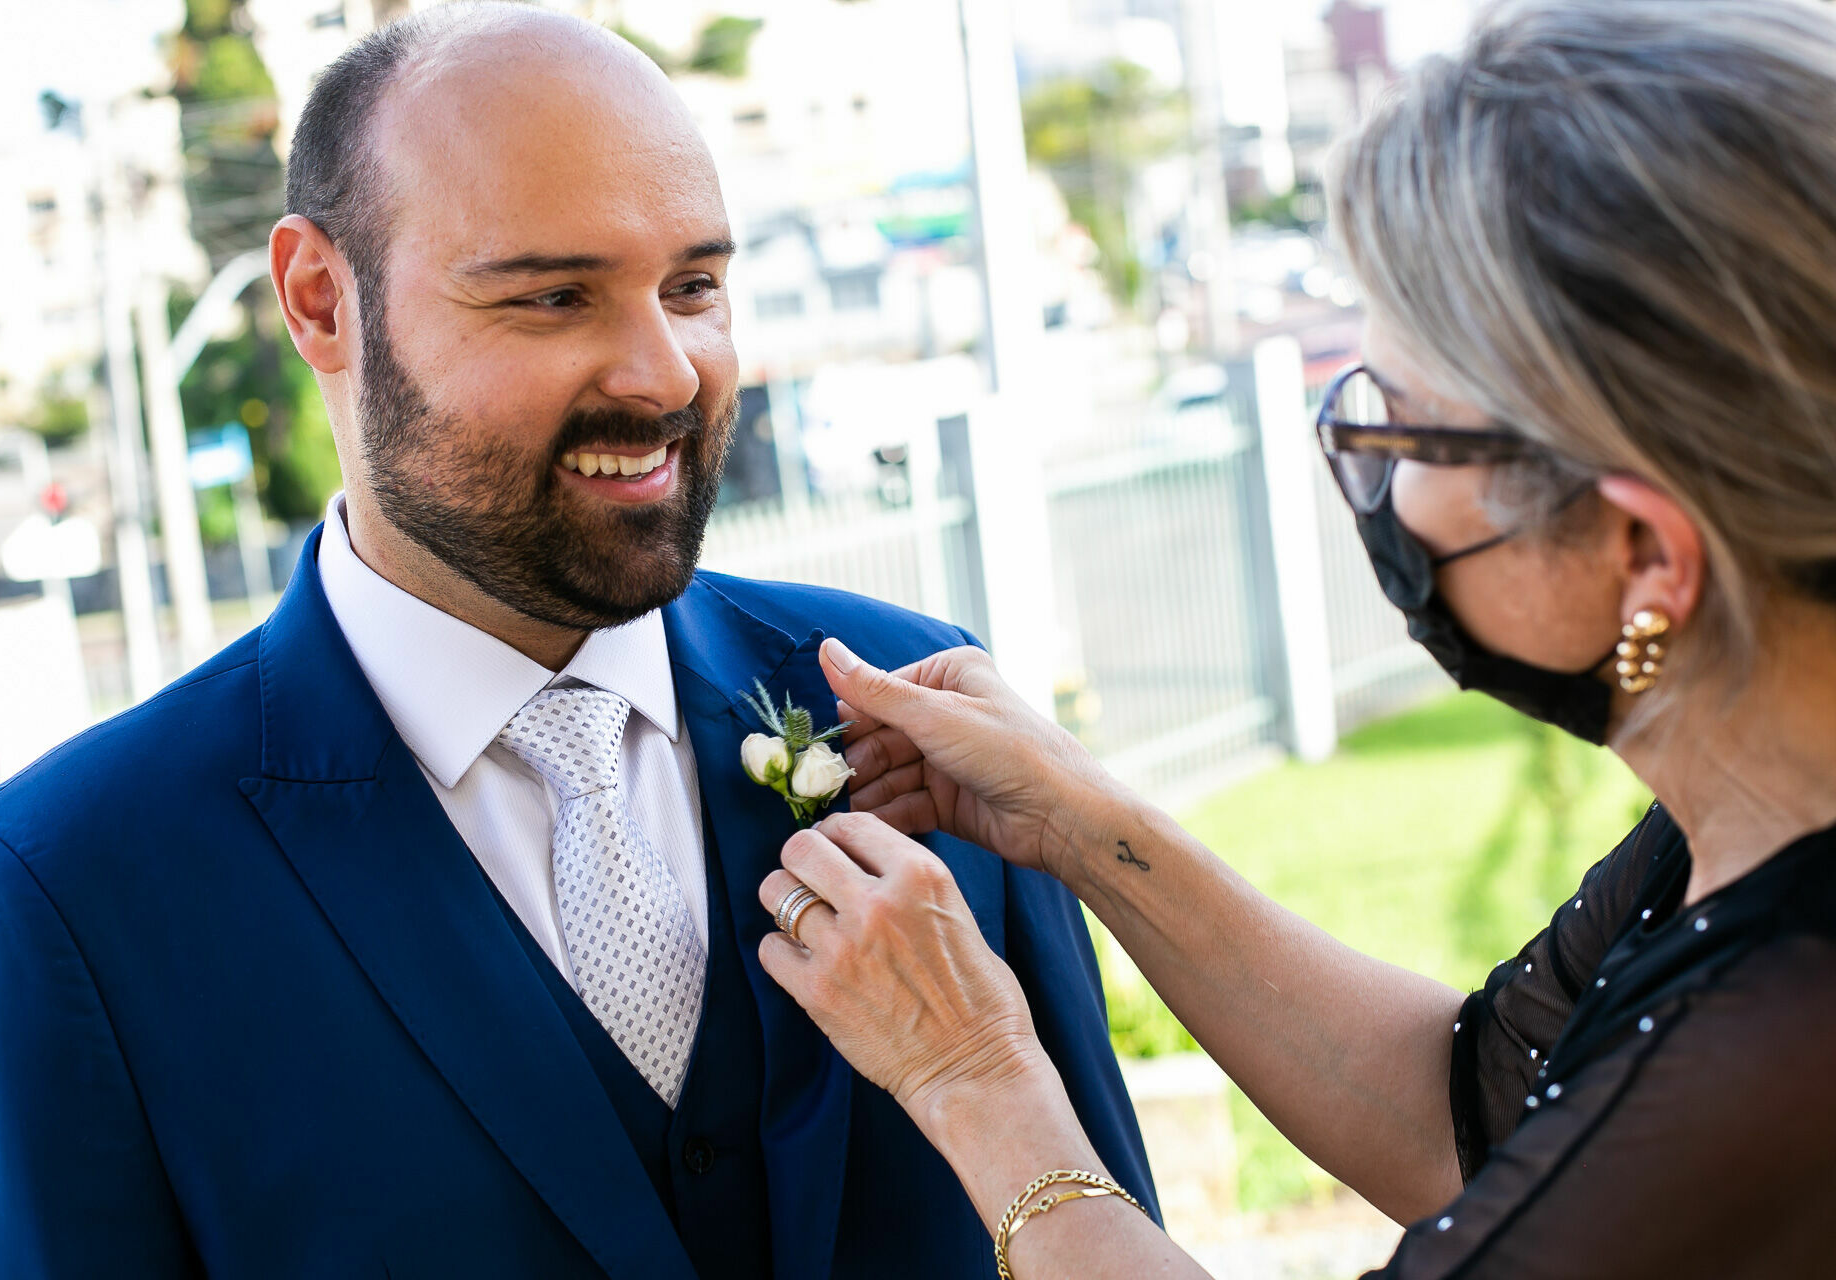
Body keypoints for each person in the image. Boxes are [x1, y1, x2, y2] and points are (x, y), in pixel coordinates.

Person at [0, 7, 1155, 1276]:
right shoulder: (63, 892)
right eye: (555, 296)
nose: (666, 373)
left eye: (694, 286)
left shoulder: (922, 719)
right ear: (319, 300)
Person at [752, 1, 1836, 1276]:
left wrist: (975, 1078)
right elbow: (1477, 1110)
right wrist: (1082, 822)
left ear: (1646, 553)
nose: (1377, 486)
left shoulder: (1777, 1041)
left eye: (1408, 434)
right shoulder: (1753, 818)